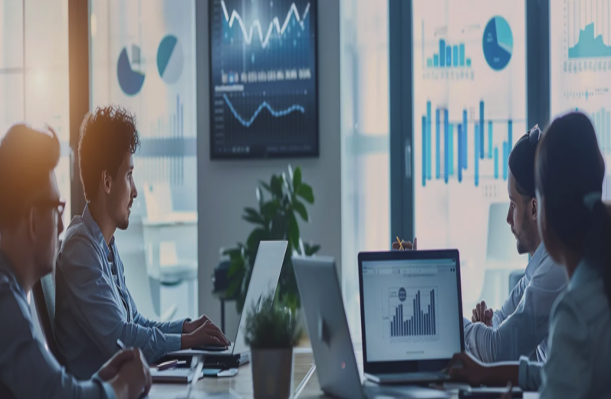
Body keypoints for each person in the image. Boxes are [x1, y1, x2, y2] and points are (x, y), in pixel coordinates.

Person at [54, 106, 230, 380]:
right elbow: (120, 339)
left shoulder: (105, 246)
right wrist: (188, 342)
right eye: (128, 175)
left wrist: (185, 328)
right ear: (107, 181)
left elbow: (135, 322)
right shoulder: (80, 248)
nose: (135, 190)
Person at [449, 111, 611, 398]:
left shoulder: (573, 313)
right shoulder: (591, 284)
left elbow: (506, 348)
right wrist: (488, 372)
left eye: (514, 203)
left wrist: (447, 323)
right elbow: (555, 369)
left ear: (540, 212)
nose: (509, 218)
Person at [0, 124, 151, 399]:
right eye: (57, 209)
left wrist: (98, 381)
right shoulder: (4, 303)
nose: (61, 226)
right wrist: (122, 386)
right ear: (33, 220)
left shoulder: (10, 294)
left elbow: (50, 388)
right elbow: (57, 396)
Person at [395, 125, 568, 363]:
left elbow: (498, 349)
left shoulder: (555, 269)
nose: (508, 218)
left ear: (534, 209)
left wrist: (437, 306)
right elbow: (500, 321)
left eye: (513, 204)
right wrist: (486, 330)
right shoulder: (540, 266)